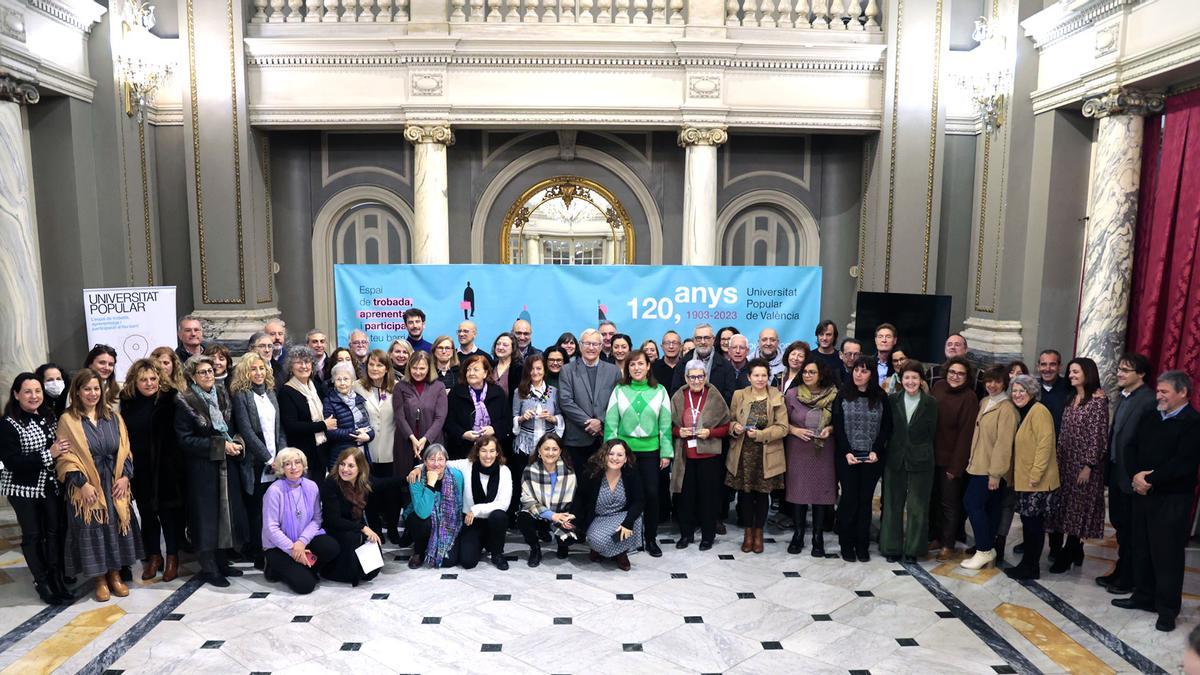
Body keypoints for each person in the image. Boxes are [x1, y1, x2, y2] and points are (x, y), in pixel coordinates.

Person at [1114, 371, 1200, 632]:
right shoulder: (1151, 414)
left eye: (1164, 392)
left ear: (1182, 392)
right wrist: (1135, 476)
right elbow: (1129, 446)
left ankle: (1167, 609)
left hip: (1171, 498)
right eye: (1159, 391)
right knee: (1142, 548)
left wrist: (1149, 479)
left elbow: (1184, 464)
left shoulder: (1193, 422)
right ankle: (1143, 596)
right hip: (1143, 493)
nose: (1158, 395)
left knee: (1167, 554)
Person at [56, 369, 143, 601]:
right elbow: (65, 457)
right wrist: (82, 484)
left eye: (96, 388)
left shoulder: (113, 416)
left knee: (115, 528)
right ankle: (100, 580)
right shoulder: (68, 420)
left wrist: (125, 477)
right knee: (92, 531)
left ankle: (115, 575)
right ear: (77, 391)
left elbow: (125, 451)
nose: (92, 393)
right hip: (87, 486)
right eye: (87, 389)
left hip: (113, 483)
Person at [175, 355, 248, 586]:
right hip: (202, 469)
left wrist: (235, 442)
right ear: (192, 377)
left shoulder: (222, 394)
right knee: (206, 517)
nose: (208, 375)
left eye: (210, 371)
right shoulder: (185, 400)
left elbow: (231, 427)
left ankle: (222, 560)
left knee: (226, 515)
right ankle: (209, 567)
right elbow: (185, 440)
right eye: (203, 372)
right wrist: (220, 446)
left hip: (227, 465)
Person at [2, 374, 71, 604]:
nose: (34, 396)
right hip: (23, 489)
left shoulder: (48, 416)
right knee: (33, 535)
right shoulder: (7, 424)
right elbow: (13, 462)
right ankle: (41, 581)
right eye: (28, 391)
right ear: (16, 394)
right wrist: (47, 454)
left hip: (49, 486)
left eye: (37, 391)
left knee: (54, 532)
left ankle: (56, 577)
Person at [119, 359, 184, 582]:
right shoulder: (127, 402)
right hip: (141, 468)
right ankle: (154, 556)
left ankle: (173, 557)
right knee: (147, 514)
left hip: (167, 468)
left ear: (160, 379)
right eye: (143, 380)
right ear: (134, 382)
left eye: (153, 379)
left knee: (169, 514)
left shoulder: (171, 399)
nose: (149, 383)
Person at [1096, 353, 1155, 595]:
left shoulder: (1148, 400)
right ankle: (1121, 570)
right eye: (1119, 368)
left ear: (1140, 374)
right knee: (1121, 528)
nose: (1119, 373)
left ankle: (1129, 578)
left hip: (1132, 477)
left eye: (1126, 370)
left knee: (1132, 532)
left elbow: (1145, 443)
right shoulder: (1125, 396)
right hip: (1118, 475)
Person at [603, 349, 671, 557]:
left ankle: (650, 538)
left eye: (641, 364)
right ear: (627, 368)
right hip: (625, 454)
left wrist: (666, 453)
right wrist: (610, 453)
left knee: (651, 494)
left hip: (651, 452)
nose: (637, 368)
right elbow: (611, 423)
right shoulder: (619, 390)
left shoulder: (660, 391)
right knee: (628, 496)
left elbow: (665, 425)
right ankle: (627, 538)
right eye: (632, 365)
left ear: (648, 366)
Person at [1046, 357, 1108, 574]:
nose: (1071, 375)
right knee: (1064, 507)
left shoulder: (1098, 403)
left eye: (1076, 372)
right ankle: (1075, 549)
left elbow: (1098, 437)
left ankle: (1069, 551)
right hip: (1064, 462)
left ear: (1087, 374)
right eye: (1070, 372)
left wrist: (1088, 465)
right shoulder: (1071, 398)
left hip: (1083, 465)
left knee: (1078, 509)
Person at [229, 353, 287, 569]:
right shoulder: (241, 395)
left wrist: (281, 456)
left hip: (276, 461)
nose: (259, 373)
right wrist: (268, 458)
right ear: (246, 372)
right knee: (256, 510)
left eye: (262, 368)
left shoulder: (271, 392)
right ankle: (257, 551)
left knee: (274, 508)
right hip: (255, 463)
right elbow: (246, 431)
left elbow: (279, 427)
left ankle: (274, 548)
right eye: (254, 369)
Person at [832, 356, 892, 562]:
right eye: (856, 370)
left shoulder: (881, 397)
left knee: (865, 502)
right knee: (849, 500)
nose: (859, 374)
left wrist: (876, 450)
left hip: (872, 458)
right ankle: (847, 544)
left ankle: (862, 545)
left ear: (872, 374)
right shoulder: (842, 395)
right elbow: (837, 427)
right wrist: (847, 451)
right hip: (847, 456)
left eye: (864, 371)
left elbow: (886, 427)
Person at [726, 360, 788, 554]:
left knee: (762, 496)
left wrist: (761, 435)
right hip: (743, 453)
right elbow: (730, 419)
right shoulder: (739, 395)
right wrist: (734, 428)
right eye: (756, 375)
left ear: (768, 376)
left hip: (766, 454)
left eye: (763, 375)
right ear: (749, 377)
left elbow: (783, 427)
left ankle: (759, 534)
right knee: (744, 497)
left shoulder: (777, 396)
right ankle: (747, 533)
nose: (760, 379)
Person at [960, 366, 1018, 570]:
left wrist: (996, 474)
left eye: (997, 381)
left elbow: (1004, 444)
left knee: (971, 503)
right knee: (990, 508)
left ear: (1004, 383)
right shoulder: (985, 401)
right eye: (989, 381)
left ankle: (984, 550)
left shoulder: (1007, 408)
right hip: (978, 464)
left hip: (991, 469)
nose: (992, 385)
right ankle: (988, 548)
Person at [1003, 375, 1060, 581]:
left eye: (1022, 391)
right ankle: (1028, 564)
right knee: (1028, 524)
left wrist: (1035, 474)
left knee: (1033, 525)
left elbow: (1045, 445)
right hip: (1027, 479)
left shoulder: (1039, 411)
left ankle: (1031, 567)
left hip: (1038, 481)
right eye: (1015, 391)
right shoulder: (1023, 412)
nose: (1017, 394)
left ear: (1032, 392)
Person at [669, 360, 731, 550]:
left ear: (705, 377)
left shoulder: (714, 395)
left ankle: (707, 536)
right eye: (692, 376)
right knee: (686, 498)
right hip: (685, 456)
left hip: (709, 456)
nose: (696, 380)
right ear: (686, 377)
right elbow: (667, 425)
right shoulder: (678, 396)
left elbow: (727, 426)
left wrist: (710, 433)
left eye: (700, 376)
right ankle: (686, 535)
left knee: (709, 498)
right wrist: (679, 432)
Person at [880, 360, 937, 563]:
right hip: (895, 458)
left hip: (921, 460)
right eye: (907, 377)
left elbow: (933, 433)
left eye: (914, 377)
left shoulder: (931, 403)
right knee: (892, 504)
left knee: (918, 507)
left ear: (921, 380)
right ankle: (891, 547)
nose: (910, 381)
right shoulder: (892, 400)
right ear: (901, 380)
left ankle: (914, 549)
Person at [261, 448, 339, 594]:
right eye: (287, 464)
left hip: (302, 542)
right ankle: (274, 568)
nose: (294, 467)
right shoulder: (274, 491)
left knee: (331, 547)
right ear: (281, 468)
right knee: (306, 586)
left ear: (303, 465)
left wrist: (301, 542)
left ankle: (303, 567)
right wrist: (292, 549)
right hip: (279, 547)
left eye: (297, 462)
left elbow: (317, 519)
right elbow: (270, 529)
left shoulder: (312, 486)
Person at [782, 358, 837, 556]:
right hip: (798, 448)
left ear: (821, 374)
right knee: (799, 492)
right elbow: (780, 422)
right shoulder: (792, 394)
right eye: (804, 372)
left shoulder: (832, 394)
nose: (807, 375)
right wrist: (794, 430)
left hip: (823, 450)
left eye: (811, 372)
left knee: (820, 494)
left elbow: (839, 421)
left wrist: (830, 428)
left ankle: (817, 537)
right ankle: (798, 535)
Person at [929, 356, 979, 561]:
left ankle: (948, 544)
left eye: (960, 374)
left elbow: (966, 436)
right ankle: (936, 537)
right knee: (933, 500)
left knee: (949, 504)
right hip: (931, 456)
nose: (955, 377)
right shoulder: (939, 387)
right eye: (952, 372)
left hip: (952, 460)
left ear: (967, 377)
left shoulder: (969, 398)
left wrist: (956, 467)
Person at [394, 351, 448, 525]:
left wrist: (424, 439)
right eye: (415, 368)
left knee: (431, 480)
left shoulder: (438, 386)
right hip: (405, 442)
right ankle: (409, 522)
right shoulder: (401, 386)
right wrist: (412, 438)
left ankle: (432, 521)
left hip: (431, 444)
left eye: (422, 368)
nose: (418, 371)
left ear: (429, 368)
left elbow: (440, 417)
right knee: (406, 482)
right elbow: (399, 416)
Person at [573, 439, 644, 571]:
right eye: (611, 454)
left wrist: (627, 522)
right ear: (604, 455)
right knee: (597, 541)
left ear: (626, 458)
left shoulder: (631, 473)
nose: (615, 458)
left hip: (621, 515)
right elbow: (580, 498)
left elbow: (639, 500)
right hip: (598, 517)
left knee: (636, 519)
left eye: (620, 455)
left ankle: (620, 553)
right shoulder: (592, 473)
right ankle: (600, 549)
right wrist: (574, 519)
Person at [444, 437, 512, 570]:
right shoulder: (467, 465)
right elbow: (442, 464)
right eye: (483, 451)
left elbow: (503, 503)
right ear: (477, 452)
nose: (488, 455)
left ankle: (497, 553)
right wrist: (418, 468)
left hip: (492, 521)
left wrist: (476, 509)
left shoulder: (504, 471)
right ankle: (480, 543)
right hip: (471, 522)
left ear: (497, 453)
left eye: (492, 451)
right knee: (467, 562)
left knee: (499, 515)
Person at [559, 328, 622, 472]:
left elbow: (617, 402)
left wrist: (600, 421)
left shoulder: (613, 371)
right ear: (580, 346)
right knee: (579, 485)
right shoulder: (567, 370)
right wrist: (588, 423)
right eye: (587, 343)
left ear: (601, 346)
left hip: (604, 437)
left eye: (595, 344)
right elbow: (566, 401)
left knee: (602, 483)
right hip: (577, 438)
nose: (591, 348)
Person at [319, 447, 382, 586]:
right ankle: (336, 571)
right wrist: (363, 528)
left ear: (360, 468)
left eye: (350, 465)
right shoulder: (332, 482)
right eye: (342, 464)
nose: (345, 469)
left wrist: (413, 474)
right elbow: (333, 520)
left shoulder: (363, 482)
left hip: (354, 527)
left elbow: (386, 483)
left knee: (371, 570)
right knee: (353, 538)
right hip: (334, 529)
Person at [354, 350, 399, 544]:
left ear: (387, 368)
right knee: (370, 492)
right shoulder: (356, 387)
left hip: (391, 448)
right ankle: (375, 530)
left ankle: (393, 529)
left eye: (380, 365)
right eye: (371, 364)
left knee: (392, 493)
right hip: (366, 451)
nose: (374, 368)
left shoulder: (397, 387)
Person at [511, 354, 564, 517]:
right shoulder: (520, 392)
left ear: (544, 370)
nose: (535, 372)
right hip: (526, 445)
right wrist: (521, 418)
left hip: (547, 447)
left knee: (546, 483)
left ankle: (545, 520)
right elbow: (513, 417)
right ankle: (526, 518)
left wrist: (552, 418)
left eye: (538, 368)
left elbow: (561, 416)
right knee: (526, 482)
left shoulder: (554, 392)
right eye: (531, 369)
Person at [518, 433, 577, 567]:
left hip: (561, 514)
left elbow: (573, 500)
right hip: (539, 514)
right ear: (539, 450)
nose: (550, 453)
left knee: (571, 536)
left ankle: (562, 544)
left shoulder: (569, 472)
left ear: (560, 451)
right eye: (546, 449)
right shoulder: (529, 470)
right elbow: (526, 499)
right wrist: (552, 515)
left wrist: (565, 517)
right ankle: (535, 548)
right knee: (523, 518)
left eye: (555, 449)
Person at [277, 346, 337, 478]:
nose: (304, 366)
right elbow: (291, 426)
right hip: (301, 454)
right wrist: (323, 425)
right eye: (299, 362)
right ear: (291, 367)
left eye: (307, 362)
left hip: (322, 450)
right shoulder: (286, 391)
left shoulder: (316, 386)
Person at [404, 444, 463, 568]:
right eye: (431, 459)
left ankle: (438, 543)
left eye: (440, 459)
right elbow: (423, 512)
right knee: (423, 521)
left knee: (448, 562)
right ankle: (419, 551)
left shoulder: (456, 476)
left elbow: (458, 507)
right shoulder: (416, 478)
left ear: (446, 461)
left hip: (448, 522)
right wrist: (431, 484)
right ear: (424, 461)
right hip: (421, 519)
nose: (436, 464)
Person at [445, 354, 511, 461]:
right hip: (462, 450)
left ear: (485, 373)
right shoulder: (456, 392)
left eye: (476, 370)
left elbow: (507, 421)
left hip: (492, 450)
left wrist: (494, 429)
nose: (471, 373)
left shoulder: (497, 393)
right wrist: (463, 434)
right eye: (468, 370)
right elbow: (448, 422)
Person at [323, 362, 375, 469]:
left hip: (361, 454)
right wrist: (355, 433)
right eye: (338, 379)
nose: (342, 383)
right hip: (341, 456)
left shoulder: (359, 399)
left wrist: (369, 435)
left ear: (352, 381)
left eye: (346, 379)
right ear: (333, 381)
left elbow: (368, 426)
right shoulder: (329, 401)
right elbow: (330, 432)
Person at [670, 323, 738, 403]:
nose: (703, 342)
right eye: (699, 338)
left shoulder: (726, 366)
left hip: (716, 413)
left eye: (706, 338)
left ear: (713, 339)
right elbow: (675, 392)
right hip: (688, 412)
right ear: (694, 340)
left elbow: (729, 395)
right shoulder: (682, 364)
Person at [1036, 349, 1071, 434]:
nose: (1047, 369)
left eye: (1052, 364)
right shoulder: (1031, 389)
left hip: (1062, 444)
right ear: (1038, 367)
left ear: (1059, 367)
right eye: (1043, 364)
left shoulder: (1070, 388)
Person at [83, 344, 120, 411]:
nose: (106, 367)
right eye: (102, 363)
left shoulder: (118, 390)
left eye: (111, 364)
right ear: (90, 364)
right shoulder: (77, 388)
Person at [491, 332, 523, 401]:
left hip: (509, 409)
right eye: (498, 344)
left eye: (505, 345)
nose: (500, 347)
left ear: (513, 348)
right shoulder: (490, 366)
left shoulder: (519, 369)